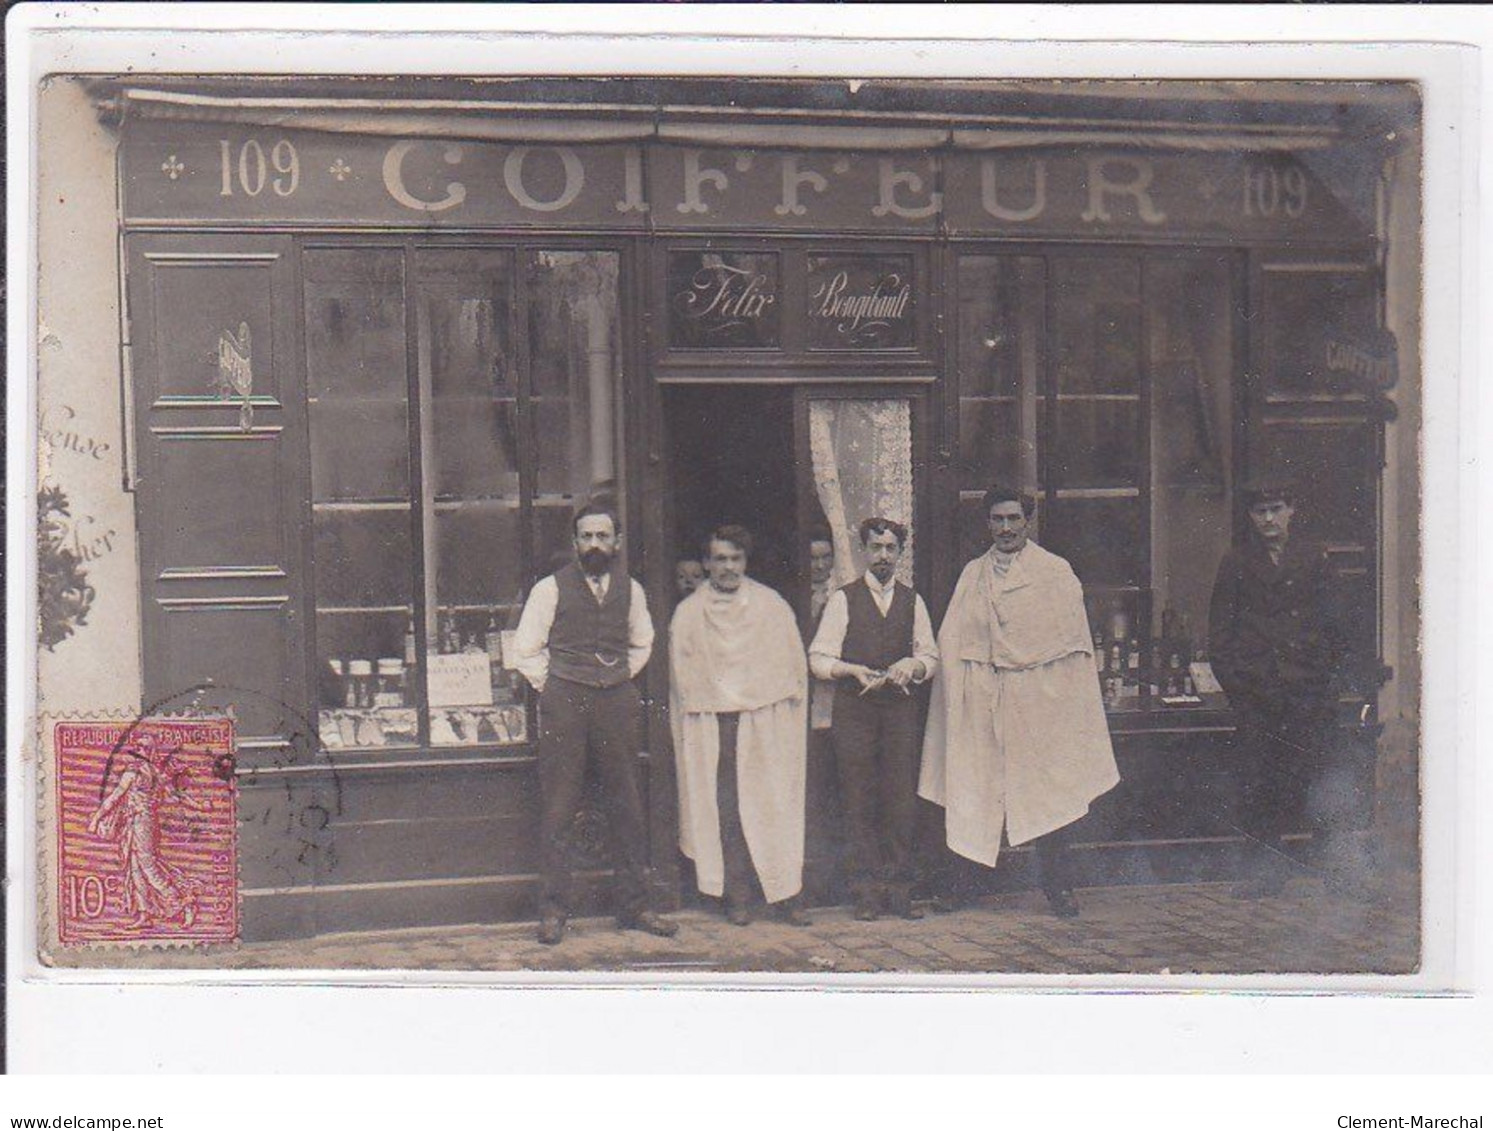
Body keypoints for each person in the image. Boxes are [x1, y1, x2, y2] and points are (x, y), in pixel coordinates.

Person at [918, 486, 1119, 918]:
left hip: (1037, 702)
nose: (1005, 528)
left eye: (1013, 519)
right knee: (973, 790)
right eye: (997, 519)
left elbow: (1072, 647)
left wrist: (1056, 701)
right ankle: (962, 886)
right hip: (984, 700)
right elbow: (953, 640)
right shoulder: (973, 574)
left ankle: (1058, 888)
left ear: (1028, 521)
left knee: (1049, 795)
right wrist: (964, 693)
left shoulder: (1055, 573)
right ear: (987, 523)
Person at [512, 502, 677, 945]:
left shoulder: (632, 589)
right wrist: (557, 685)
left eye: (603, 536)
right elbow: (524, 649)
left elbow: (643, 643)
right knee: (559, 806)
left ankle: (636, 906)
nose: (595, 545)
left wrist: (616, 676)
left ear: (617, 542)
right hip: (565, 701)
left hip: (617, 701)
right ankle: (553, 911)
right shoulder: (550, 589)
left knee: (626, 801)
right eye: (586, 537)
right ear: (574, 542)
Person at [1208, 479, 1349, 898]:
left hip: (1307, 693)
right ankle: (1265, 874)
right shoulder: (1236, 562)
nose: (1267, 519)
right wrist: (1241, 688)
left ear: (1292, 510)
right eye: (1259, 512)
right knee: (1259, 783)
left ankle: (1332, 870)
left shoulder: (1315, 559)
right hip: (1259, 696)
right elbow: (1221, 635)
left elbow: (1336, 625)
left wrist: (1325, 679)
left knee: (1317, 779)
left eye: (1275, 509)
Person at [670, 524, 811, 927]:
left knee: (774, 806)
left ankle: (787, 894)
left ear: (746, 562)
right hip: (717, 726)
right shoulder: (689, 613)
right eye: (719, 559)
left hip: (765, 723)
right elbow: (682, 679)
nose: (728, 567)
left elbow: (793, 670)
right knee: (728, 811)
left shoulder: (771, 606)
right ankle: (738, 896)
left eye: (735, 559)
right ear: (706, 563)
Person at [810, 517, 939, 920]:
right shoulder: (843, 600)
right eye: (876, 548)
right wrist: (850, 670)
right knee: (858, 799)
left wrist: (911, 666)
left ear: (900, 553)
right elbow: (818, 658)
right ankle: (865, 892)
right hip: (856, 711)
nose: (883, 556)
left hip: (900, 710)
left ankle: (900, 892)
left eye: (890, 549)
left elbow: (931, 657)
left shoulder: (912, 600)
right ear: (864, 551)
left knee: (900, 801)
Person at [88, 732, 203, 929]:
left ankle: (183, 902)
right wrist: (198, 805)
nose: (139, 751)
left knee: (148, 867)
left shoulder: (134, 772)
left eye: (141, 748)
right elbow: (174, 796)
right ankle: (144, 914)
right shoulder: (156, 773)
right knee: (135, 868)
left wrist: (96, 818)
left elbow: (115, 797)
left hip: (141, 823)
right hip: (139, 823)